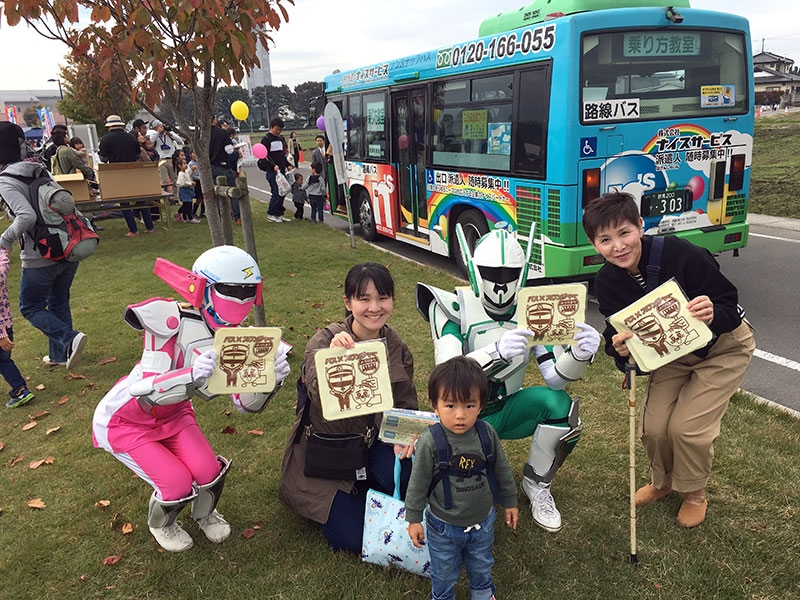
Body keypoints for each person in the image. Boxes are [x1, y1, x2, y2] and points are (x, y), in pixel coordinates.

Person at [92, 245, 291, 552]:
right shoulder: (168, 320)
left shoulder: (239, 336)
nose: (240, 300)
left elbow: (244, 404)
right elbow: (146, 390)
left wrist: (271, 381)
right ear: (203, 287)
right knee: (176, 483)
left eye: (248, 291)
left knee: (208, 472)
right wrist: (190, 375)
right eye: (231, 290)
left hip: (176, 415)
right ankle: (163, 524)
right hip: (126, 419)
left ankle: (206, 513)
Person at [582, 191, 755, 528]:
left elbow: (728, 303)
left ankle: (694, 493)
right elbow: (614, 330)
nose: (618, 246)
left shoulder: (680, 253)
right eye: (605, 239)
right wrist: (618, 350)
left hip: (722, 347)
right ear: (593, 244)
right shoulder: (606, 281)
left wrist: (711, 312)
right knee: (656, 427)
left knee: (687, 429)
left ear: (640, 226)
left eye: (624, 233)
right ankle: (662, 483)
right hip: (673, 355)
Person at [416, 225, 601, 533]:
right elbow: (446, 373)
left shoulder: (532, 311)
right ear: (476, 270)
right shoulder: (453, 307)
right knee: (462, 494)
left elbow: (554, 378)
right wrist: (495, 352)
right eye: (491, 273)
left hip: (505, 410)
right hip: (459, 418)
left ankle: (537, 485)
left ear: (523, 272)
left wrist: (579, 356)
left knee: (558, 406)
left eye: (508, 274)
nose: (500, 284)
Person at [278, 262, 418, 554]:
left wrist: (407, 436)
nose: (374, 307)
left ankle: (370, 488)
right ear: (348, 302)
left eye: (383, 298)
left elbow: (406, 404)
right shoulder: (325, 341)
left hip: (373, 442)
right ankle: (352, 499)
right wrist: (333, 358)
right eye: (364, 298)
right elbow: (316, 395)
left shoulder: (396, 346)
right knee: (353, 539)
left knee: (412, 481)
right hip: (330, 451)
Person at [406, 356, 519, 600]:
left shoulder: (486, 433)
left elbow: (502, 470)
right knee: (444, 571)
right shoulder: (429, 442)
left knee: (482, 564)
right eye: (450, 406)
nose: (460, 415)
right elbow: (418, 484)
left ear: (480, 405)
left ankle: (482, 593)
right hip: (443, 527)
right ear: (434, 406)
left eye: (469, 405)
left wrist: (510, 501)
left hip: (483, 522)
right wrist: (414, 518)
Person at [0, 121, 88, 370]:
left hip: (40, 253)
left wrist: (4, 240)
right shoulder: (40, 169)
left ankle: (69, 339)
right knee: (58, 301)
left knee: (30, 306)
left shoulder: (6, 180)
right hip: (67, 245)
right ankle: (61, 354)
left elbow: (25, 217)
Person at [98, 114, 154, 237]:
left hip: (117, 173)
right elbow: (137, 154)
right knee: (142, 199)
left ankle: (133, 230)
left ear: (109, 126)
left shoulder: (105, 139)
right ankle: (150, 227)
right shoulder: (131, 137)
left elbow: (103, 159)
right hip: (133, 171)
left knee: (124, 203)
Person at [0, 244, 35, 408]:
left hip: (2, 331)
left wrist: (1, 335)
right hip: (8, 325)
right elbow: (4, 258)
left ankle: (20, 390)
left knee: (3, 362)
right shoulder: (3, 264)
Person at [208, 116, 239, 223]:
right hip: (223, 165)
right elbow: (229, 150)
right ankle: (237, 216)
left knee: (216, 193)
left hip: (210, 166)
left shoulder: (202, 134)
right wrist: (234, 148)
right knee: (232, 191)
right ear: (213, 120)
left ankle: (220, 217)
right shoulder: (222, 133)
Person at [259, 117, 291, 223]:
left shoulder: (279, 139)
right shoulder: (266, 139)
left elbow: (281, 155)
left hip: (281, 171)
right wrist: (272, 166)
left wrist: (287, 164)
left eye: (280, 129)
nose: (278, 131)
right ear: (272, 127)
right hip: (272, 171)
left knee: (283, 192)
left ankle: (279, 213)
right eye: (277, 129)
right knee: (276, 192)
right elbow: (264, 157)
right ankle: (271, 213)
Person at [149, 120, 183, 203]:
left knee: (174, 179)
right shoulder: (154, 135)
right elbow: (151, 142)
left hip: (171, 158)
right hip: (161, 159)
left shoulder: (169, 134)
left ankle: (175, 197)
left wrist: (170, 134)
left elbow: (179, 140)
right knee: (164, 180)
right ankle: (167, 198)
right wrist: (157, 133)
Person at [175, 158, 199, 223]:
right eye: (184, 164)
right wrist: (191, 183)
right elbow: (183, 183)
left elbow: (188, 175)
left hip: (188, 190)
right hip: (184, 190)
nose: (186, 165)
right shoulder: (181, 174)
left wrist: (192, 170)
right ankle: (190, 217)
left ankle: (185, 217)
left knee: (187, 204)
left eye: (186, 163)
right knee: (187, 204)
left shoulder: (185, 172)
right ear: (179, 166)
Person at [187, 150, 204, 219]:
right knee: (199, 198)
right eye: (193, 153)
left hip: (203, 181)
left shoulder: (201, 162)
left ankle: (203, 212)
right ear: (191, 154)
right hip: (196, 181)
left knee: (204, 197)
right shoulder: (190, 164)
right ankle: (194, 212)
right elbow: (190, 174)